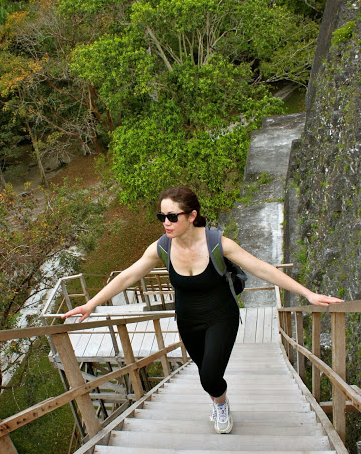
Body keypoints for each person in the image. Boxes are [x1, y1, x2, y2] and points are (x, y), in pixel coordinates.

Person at [63, 185, 343, 434]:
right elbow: (127, 276)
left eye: (173, 217)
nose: (166, 223)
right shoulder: (161, 248)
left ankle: (220, 406)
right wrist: (90, 304)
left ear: (192, 216)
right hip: (187, 320)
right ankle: (219, 399)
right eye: (162, 217)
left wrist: (307, 293)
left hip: (221, 316)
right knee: (204, 374)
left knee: (209, 375)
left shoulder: (217, 243)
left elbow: (261, 268)